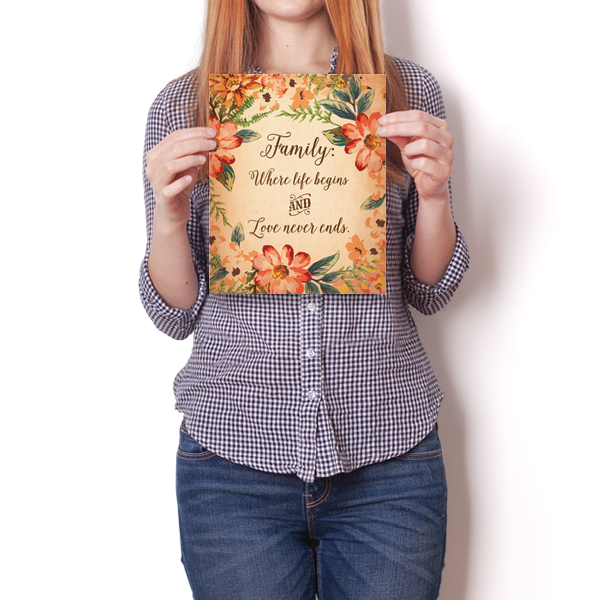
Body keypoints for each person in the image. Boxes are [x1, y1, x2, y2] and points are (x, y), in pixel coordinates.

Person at [140, 1, 469, 598]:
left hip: (390, 459)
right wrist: (168, 215)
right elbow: (176, 312)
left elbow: (430, 288)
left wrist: (436, 196)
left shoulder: (406, 91)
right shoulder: (184, 105)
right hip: (231, 466)